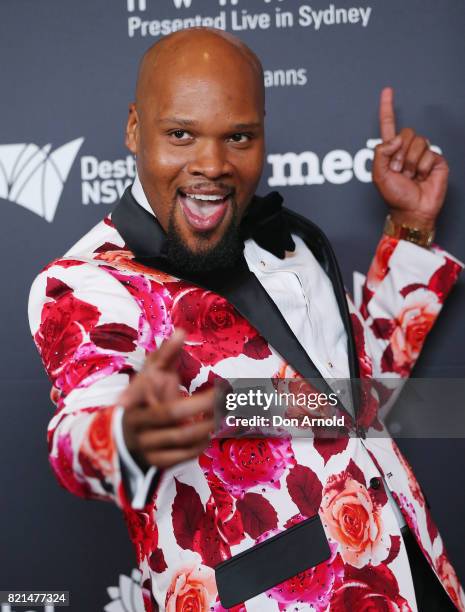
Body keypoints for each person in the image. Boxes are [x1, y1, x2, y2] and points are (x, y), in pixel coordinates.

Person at [28, 27, 464, 611]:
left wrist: (410, 230)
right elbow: (84, 424)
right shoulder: (88, 283)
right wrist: (125, 434)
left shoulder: (293, 242)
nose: (212, 163)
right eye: (180, 134)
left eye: (238, 137)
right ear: (135, 129)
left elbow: (353, 400)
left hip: (416, 575)